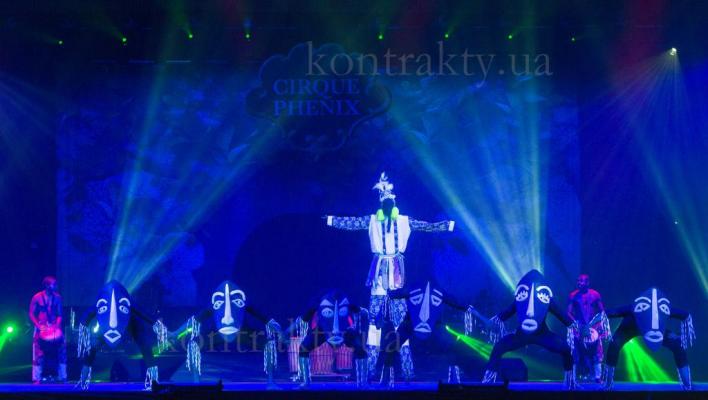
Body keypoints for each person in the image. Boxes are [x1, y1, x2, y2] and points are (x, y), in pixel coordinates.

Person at [325, 172, 455, 381]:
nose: (388, 206)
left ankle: (407, 370)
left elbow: (426, 226)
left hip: (395, 275)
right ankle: (370, 369)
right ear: (381, 205)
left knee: (400, 323)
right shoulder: (372, 220)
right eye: (385, 203)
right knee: (374, 323)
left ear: (394, 204)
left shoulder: (403, 221)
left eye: (390, 203)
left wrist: (446, 226)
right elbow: (352, 223)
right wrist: (332, 220)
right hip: (378, 274)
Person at [482, 270, 577, 389]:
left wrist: (578, 328)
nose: (530, 312)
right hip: (520, 336)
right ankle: (488, 381)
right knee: (498, 347)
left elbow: (562, 316)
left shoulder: (547, 301)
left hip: (543, 335)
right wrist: (493, 321)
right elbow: (506, 313)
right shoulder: (519, 301)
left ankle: (570, 382)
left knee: (566, 349)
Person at [603, 287, 695, 390]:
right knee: (614, 345)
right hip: (630, 328)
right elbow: (610, 312)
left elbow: (686, 316)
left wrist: (680, 335)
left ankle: (687, 385)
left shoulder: (664, 311)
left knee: (678, 345)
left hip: (655, 331)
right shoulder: (632, 310)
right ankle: (608, 384)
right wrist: (593, 324)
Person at [567, 274, 609, 382]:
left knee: (597, 352)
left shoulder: (595, 294)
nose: (579, 283)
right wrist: (576, 324)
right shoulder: (573, 295)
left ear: (587, 282)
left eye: (581, 281)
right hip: (579, 326)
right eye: (578, 281)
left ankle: (598, 377)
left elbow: (602, 312)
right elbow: (568, 313)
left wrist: (600, 325)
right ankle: (573, 377)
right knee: (575, 351)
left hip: (593, 326)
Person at [29, 276, 66, 383]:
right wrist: (38, 325)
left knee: (61, 349)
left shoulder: (58, 298)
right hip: (41, 326)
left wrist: (56, 326)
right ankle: (36, 377)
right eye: (53, 284)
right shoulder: (37, 297)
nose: (55, 286)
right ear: (46, 285)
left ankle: (62, 376)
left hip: (54, 326)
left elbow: (60, 315)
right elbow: (31, 313)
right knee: (38, 352)